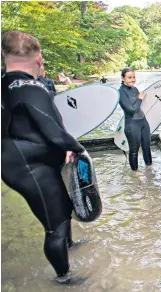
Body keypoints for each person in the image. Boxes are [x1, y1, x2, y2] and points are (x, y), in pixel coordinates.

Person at [1, 31, 87, 284]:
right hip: (31, 166)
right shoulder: (31, 88)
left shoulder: (5, 84)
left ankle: (70, 246)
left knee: (63, 207)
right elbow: (55, 133)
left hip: (18, 162)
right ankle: (65, 280)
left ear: (3, 54)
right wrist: (78, 148)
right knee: (56, 225)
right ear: (39, 59)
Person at [118, 67, 152, 172]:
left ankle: (149, 168)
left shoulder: (135, 89)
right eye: (129, 77)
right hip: (132, 125)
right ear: (123, 78)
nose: (132, 79)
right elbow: (132, 110)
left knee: (147, 146)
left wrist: (140, 99)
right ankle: (135, 174)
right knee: (134, 150)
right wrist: (140, 98)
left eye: (134, 77)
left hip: (143, 122)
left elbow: (139, 107)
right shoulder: (120, 93)